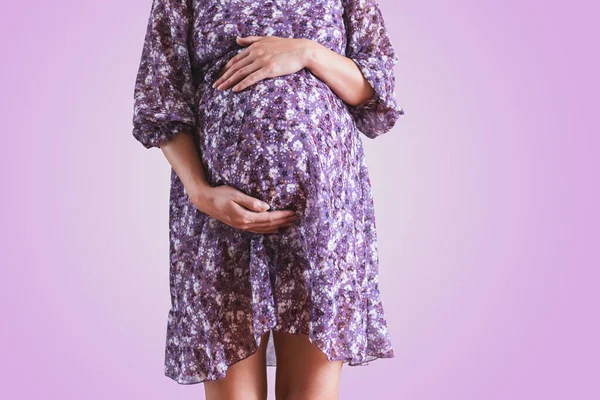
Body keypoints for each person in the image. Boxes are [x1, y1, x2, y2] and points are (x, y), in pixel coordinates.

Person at [131, 0, 404, 398]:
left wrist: (307, 52)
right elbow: (160, 100)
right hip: (219, 224)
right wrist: (200, 192)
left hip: (324, 214)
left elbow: (376, 90)